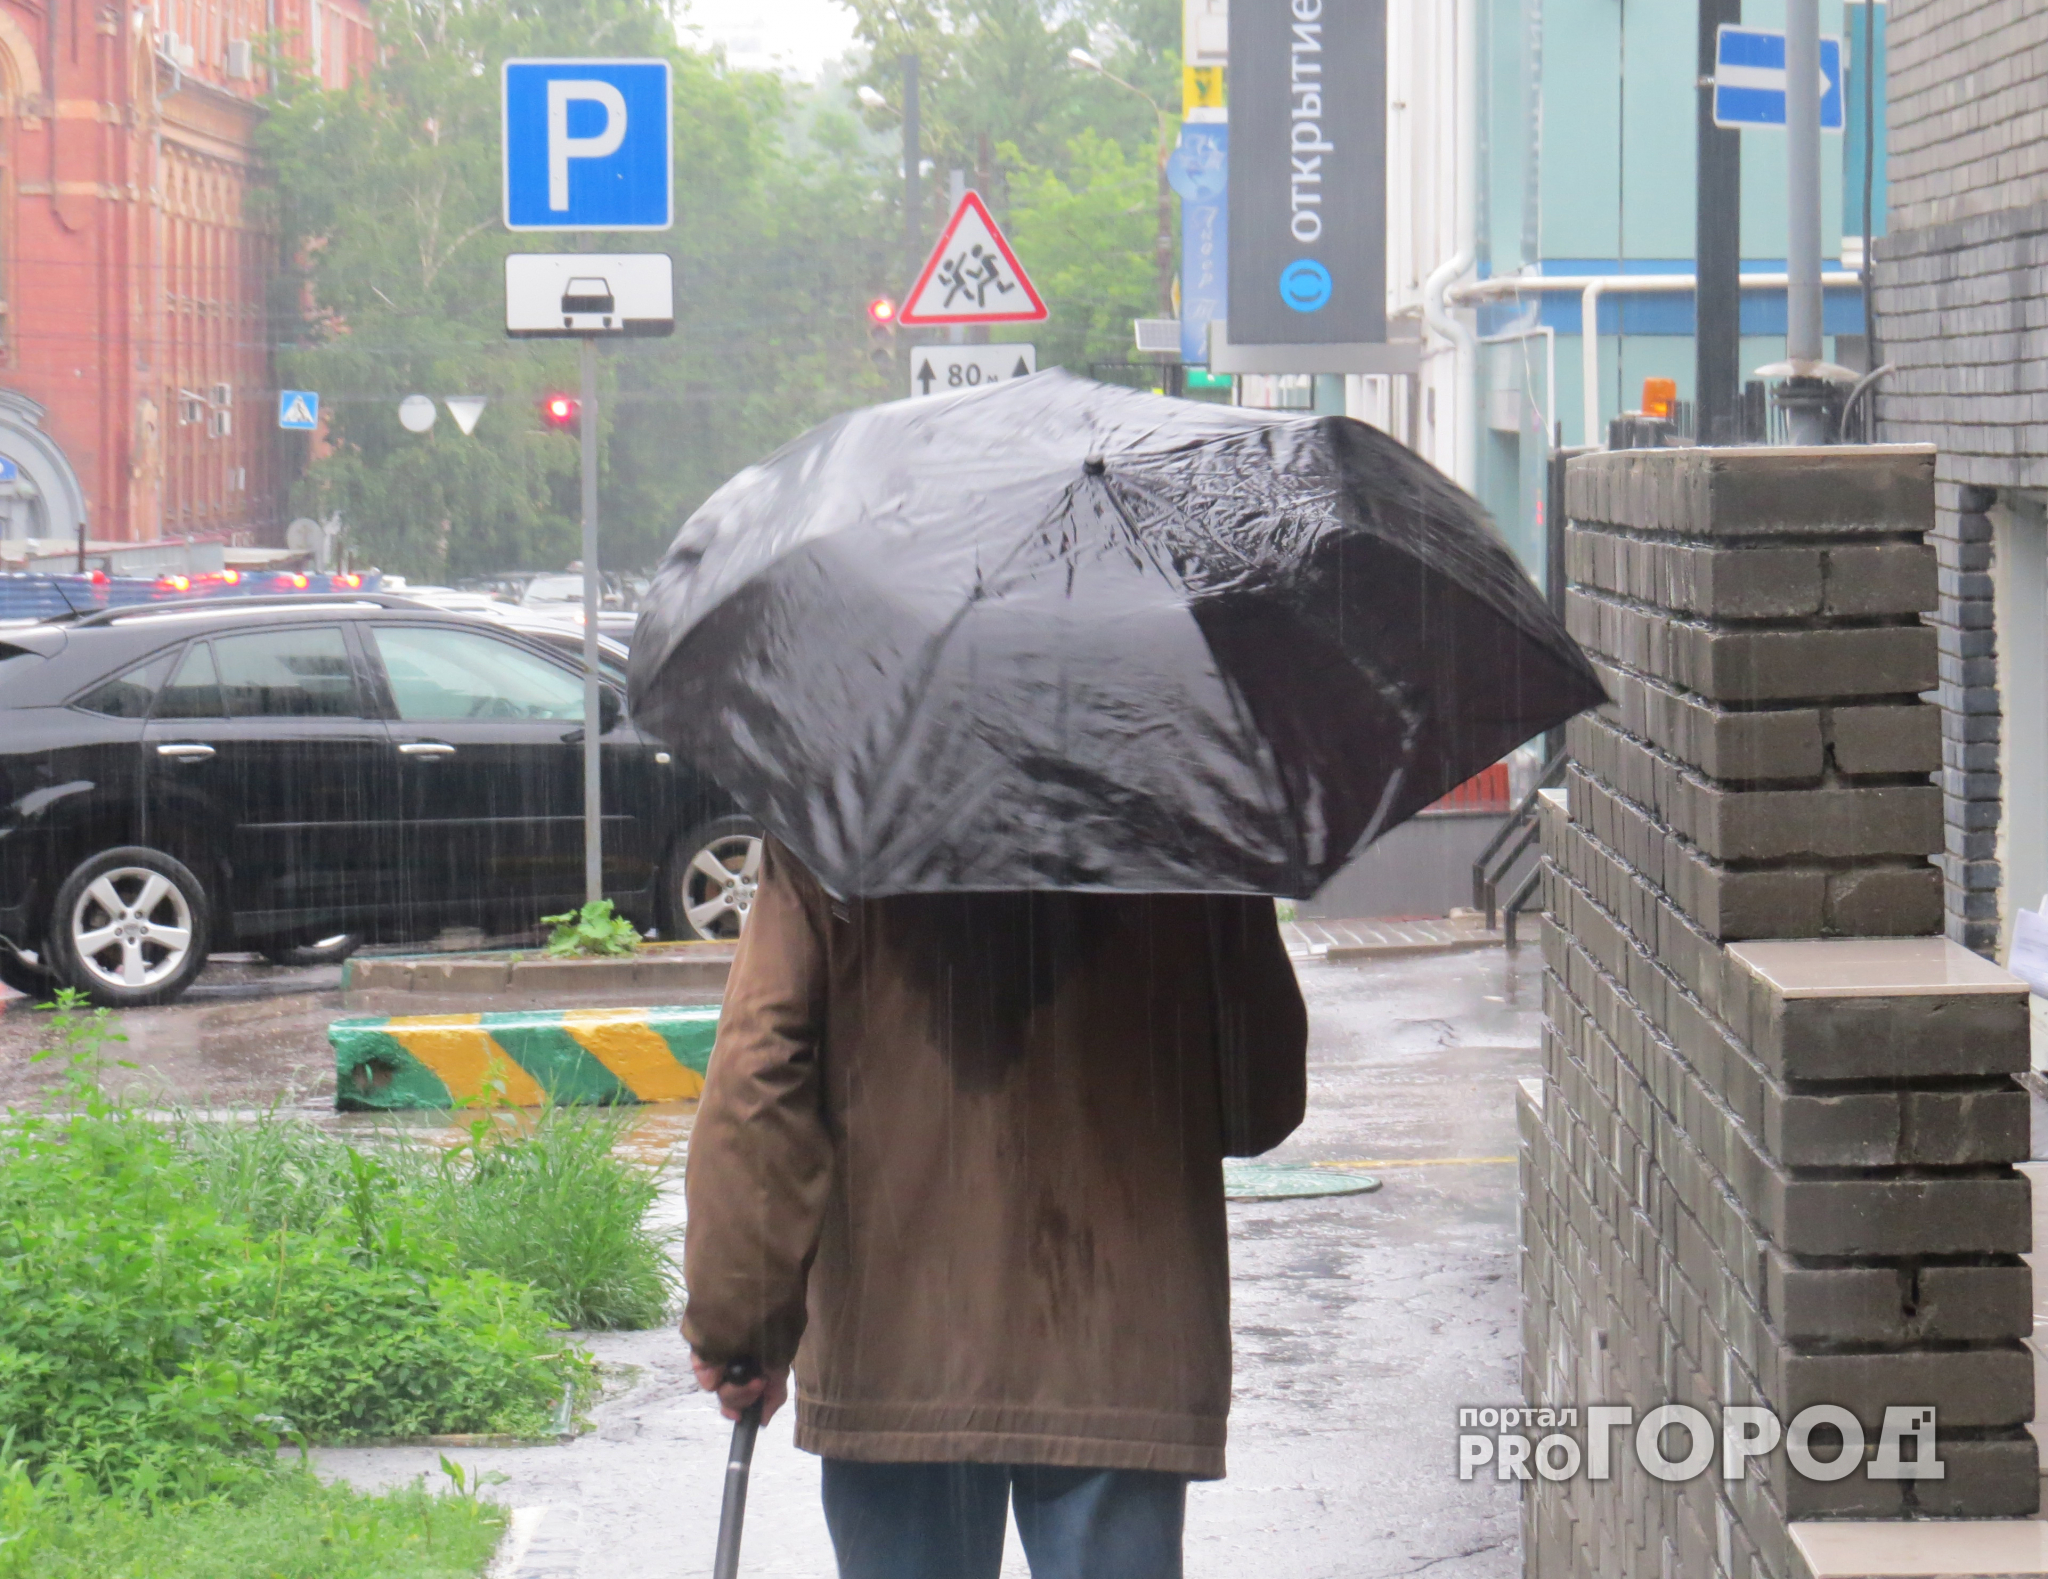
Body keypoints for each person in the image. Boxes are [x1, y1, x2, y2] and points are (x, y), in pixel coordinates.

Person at [683, 836, 1308, 1579]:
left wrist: (743, 1322)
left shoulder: (833, 814)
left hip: (899, 1347)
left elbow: (760, 1073)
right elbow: (1257, 1101)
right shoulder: (1184, 819)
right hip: (1120, 1344)